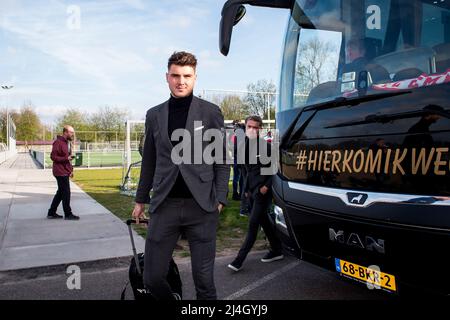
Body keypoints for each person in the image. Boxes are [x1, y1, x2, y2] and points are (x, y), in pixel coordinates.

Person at [132, 51, 230, 300]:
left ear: (195, 78)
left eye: (187, 75)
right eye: (175, 75)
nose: (181, 81)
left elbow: (221, 160)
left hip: (202, 207)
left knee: (204, 282)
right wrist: (140, 198)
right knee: (152, 278)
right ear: (167, 77)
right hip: (165, 205)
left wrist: (220, 199)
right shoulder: (154, 115)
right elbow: (150, 161)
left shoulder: (210, 112)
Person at [228, 115, 283, 272]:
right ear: (245, 127)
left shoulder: (266, 147)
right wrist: (245, 190)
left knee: (253, 224)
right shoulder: (242, 145)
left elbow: (275, 169)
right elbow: (245, 170)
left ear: (260, 129)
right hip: (251, 191)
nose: (252, 129)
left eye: (255, 127)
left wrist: (266, 186)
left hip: (263, 193)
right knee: (264, 221)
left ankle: (238, 260)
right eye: (249, 126)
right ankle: (277, 249)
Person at [47, 125, 79, 220]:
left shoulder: (67, 143)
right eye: (71, 132)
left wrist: (70, 170)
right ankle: (68, 214)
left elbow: (67, 158)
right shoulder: (58, 142)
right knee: (66, 193)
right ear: (65, 132)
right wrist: (66, 158)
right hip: (60, 172)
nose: (72, 134)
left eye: (73, 132)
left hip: (65, 171)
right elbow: (53, 157)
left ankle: (51, 212)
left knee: (60, 193)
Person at [232, 120, 244, 201]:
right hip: (239, 159)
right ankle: (238, 194)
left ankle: (236, 194)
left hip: (237, 159)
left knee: (236, 178)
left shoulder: (235, 136)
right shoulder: (240, 137)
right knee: (240, 178)